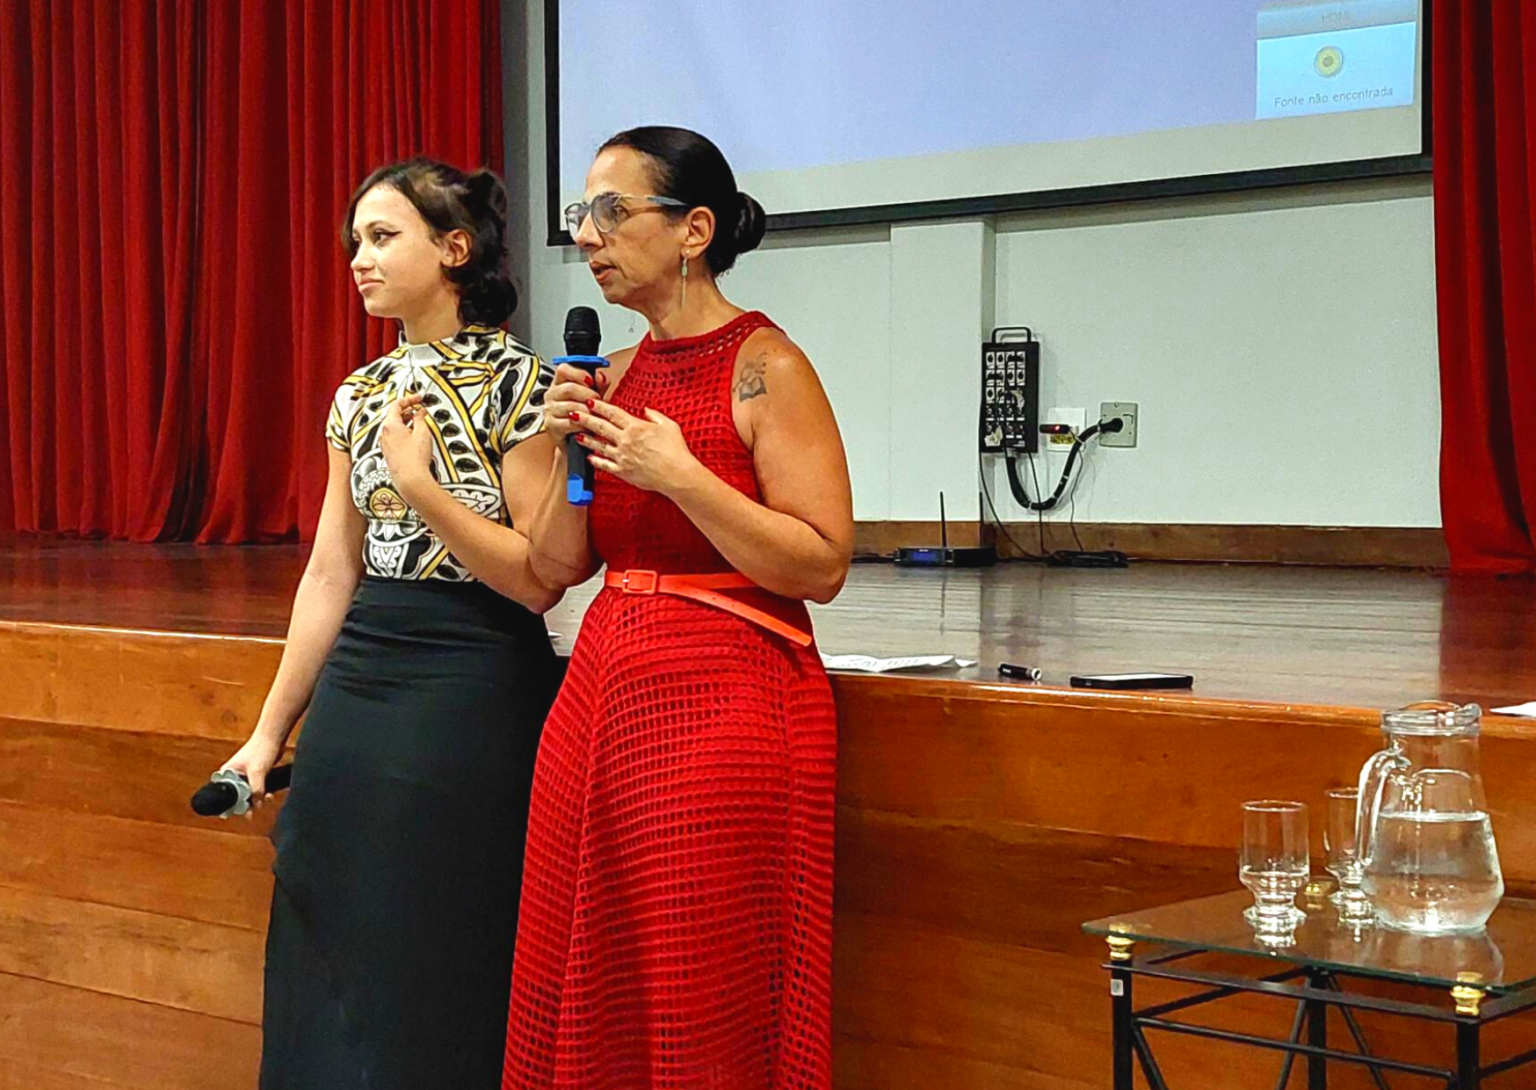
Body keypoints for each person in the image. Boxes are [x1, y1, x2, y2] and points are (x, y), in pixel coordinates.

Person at [503, 127, 853, 1090]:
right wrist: (568, 454)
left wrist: (683, 476)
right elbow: (561, 562)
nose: (586, 235)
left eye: (611, 212)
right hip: (601, 698)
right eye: (581, 213)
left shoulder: (767, 365)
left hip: (728, 704)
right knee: (585, 957)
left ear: (694, 229)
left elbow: (823, 563)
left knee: (701, 973)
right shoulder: (614, 375)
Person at [219, 157, 560, 1090]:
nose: (359, 260)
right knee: (324, 897)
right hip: (366, 666)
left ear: (455, 249)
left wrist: (419, 484)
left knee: (433, 921)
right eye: (355, 242)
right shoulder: (359, 392)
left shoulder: (521, 383)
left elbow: (536, 579)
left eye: (382, 237)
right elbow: (332, 570)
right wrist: (269, 732)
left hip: (471, 669)